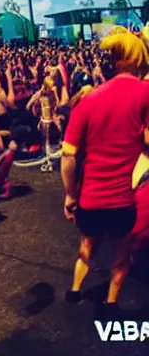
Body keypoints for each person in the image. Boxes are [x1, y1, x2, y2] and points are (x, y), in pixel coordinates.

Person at [61, 27, 149, 311]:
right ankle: (110, 303)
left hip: (90, 199)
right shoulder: (145, 92)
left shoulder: (89, 99)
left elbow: (68, 156)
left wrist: (70, 196)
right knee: (120, 257)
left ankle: (75, 290)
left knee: (87, 247)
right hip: (123, 201)